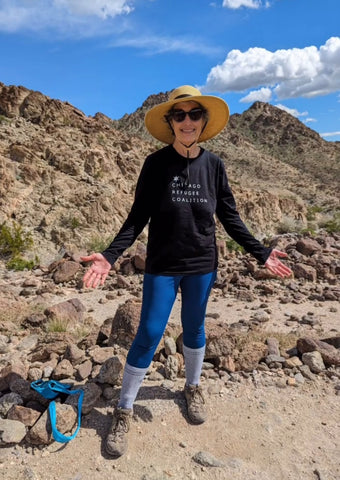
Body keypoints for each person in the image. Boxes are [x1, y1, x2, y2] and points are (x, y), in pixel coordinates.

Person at [81, 85, 292, 457]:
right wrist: (110, 255)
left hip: (201, 265)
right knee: (148, 333)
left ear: (203, 121)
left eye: (195, 114)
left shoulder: (214, 165)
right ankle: (124, 409)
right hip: (163, 266)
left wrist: (260, 253)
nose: (187, 121)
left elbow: (229, 216)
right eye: (180, 115)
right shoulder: (155, 165)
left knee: (194, 328)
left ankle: (192, 387)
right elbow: (137, 218)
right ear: (171, 122)